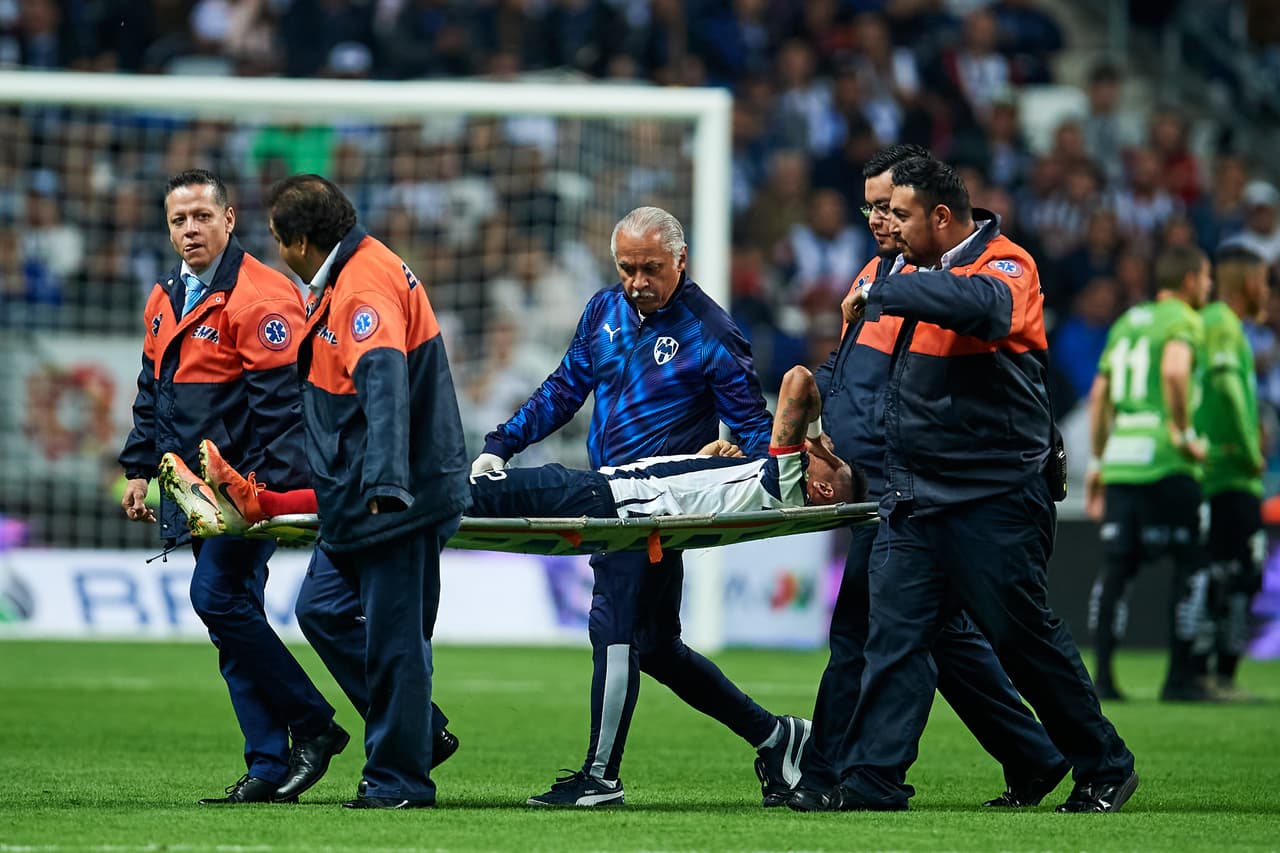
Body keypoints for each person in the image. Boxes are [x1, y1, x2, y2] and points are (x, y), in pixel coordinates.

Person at [473, 206, 811, 808]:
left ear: (681, 261)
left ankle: (600, 776)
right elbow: (563, 387)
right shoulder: (603, 311)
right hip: (610, 499)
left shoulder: (711, 329)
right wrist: (501, 442)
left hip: (653, 511)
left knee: (615, 628)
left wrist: (743, 459)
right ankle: (776, 735)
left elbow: (757, 428)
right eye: (627, 268)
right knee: (655, 646)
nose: (637, 281)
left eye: (651, 268)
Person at [833, 157, 1137, 813]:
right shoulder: (919, 274)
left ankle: (1104, 764)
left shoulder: (1006, 265)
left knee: (1021, 637)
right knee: (894, 636)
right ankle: (873, 779)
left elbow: (985, 311)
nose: (890, 227)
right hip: (917, 496)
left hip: (993, 495)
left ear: (941, 217)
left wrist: (888, 289)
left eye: (902, 214)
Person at [790, 145, 1068, 812]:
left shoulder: (927, 284)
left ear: (927, 212)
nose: (881, 220)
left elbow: (916, 395)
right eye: (873, 208)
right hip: (881, 479)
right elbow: (846, 371)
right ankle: (1033, 754)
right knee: (924, 633)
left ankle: (835, 771)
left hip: (910, 482)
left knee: (873, 626)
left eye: (892, 208)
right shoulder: (879, 273)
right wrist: (820, 432)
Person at [117, 169, 347, 805]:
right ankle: (270, 764)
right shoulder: (165, 297)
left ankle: (314, 725)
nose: (189, 229)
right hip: (192, 489)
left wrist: (261, 493)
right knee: (229, 617)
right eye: (177, 220)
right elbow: (153, 392)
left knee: (216, 598)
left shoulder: (261, 295)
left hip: (243, 489)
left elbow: (282, 411)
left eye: (200, 217)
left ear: (228, 219)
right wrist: (140, 467)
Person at [263, 174, 469, 809]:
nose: (274, 250)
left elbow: (383, 381)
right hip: (354, 501)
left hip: (392, 499)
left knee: (395, 643)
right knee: (322, 610)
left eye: (276, 239)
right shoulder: (347, 275)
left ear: (299, 241)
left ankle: (399, 780)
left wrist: (386, 481)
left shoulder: (363, 286)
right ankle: (420, 731)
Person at [159, 366, 864, 535]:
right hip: (602, 490)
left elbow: (800, 383)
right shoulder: (770, 481)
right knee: (425, 490)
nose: (824, 450)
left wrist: (822, 421)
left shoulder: (791, 480)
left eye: (830, 459)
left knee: (427, 488)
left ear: (824, 487)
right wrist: (725, 454)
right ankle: (263, 499)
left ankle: (263, 502)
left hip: (602, 500)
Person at [1085, 244, 1216, 702]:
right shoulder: (1183, 319)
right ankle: (1179, 679)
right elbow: (1177, 372)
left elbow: (1100, 394)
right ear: (1188, 282)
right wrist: (1183, 432)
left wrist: (1099, 459)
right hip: (1167, 459)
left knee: (1117, 569)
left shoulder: (1127, 322)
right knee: (1190, 565)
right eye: (1205, 278)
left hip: (1122, 457)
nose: (1209, 286)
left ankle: (1102, 678)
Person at [1194, 245, 1269, 700]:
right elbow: (1225, 383)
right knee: (1240, 572)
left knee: (1217, 573)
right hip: (1230, 471)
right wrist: (1249, 445)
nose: (1267, 290)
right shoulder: (1223, 323)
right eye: (1262, 279)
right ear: (1245, 281)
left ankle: (1207, 671)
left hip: (1211, 470)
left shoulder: (1212, 323)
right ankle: (1220, 675)